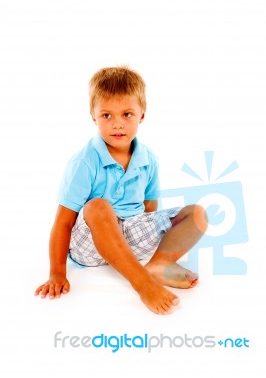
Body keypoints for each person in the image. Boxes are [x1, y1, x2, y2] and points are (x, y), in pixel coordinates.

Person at [35, 66, 208, 315]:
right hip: (90, 244)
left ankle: (158, 266)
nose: (117, 124)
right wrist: (57, 273)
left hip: (132, 237)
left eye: (127, 114)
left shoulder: (149, 159)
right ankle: (143, 283)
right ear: (93, 116)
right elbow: (63, 222)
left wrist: (154, 237)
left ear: (142, 115)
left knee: (197, 213)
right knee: (98, 205)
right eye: (106, 115)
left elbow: (150, 209)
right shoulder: (84, 161)